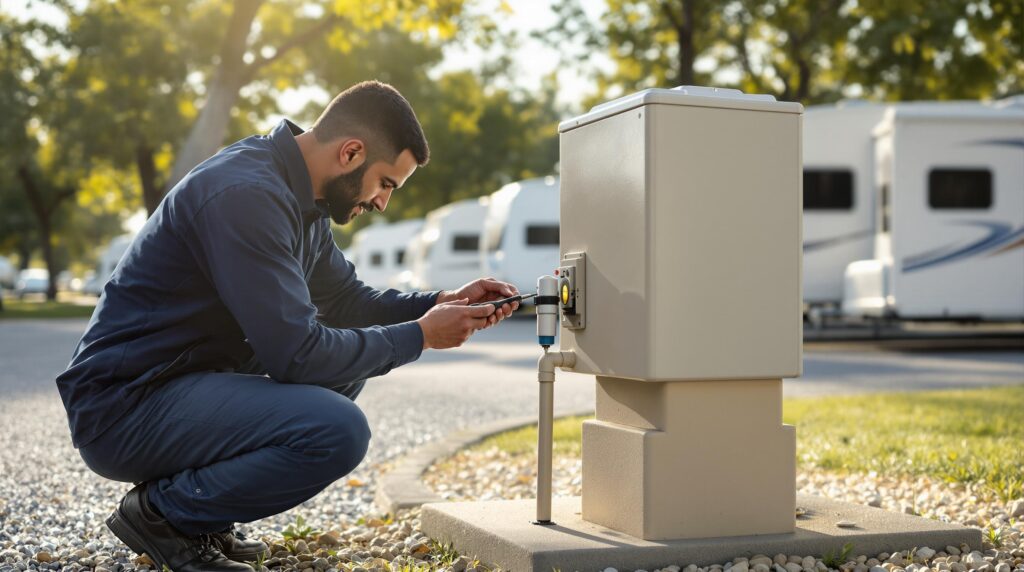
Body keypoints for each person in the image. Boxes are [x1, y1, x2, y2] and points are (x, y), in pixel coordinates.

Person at [55, 81, 520, 572]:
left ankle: (200, 515)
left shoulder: (302, 198)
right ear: (351, 153)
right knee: (338, 429)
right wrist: (423, 335)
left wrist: (440, 303)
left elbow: (346, 301)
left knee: (345, 374)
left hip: (179, 382)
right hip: (124, 406)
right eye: (386, 183)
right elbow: (297, 355)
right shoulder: (246, 194)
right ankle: (164, 516)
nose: (383, 202)